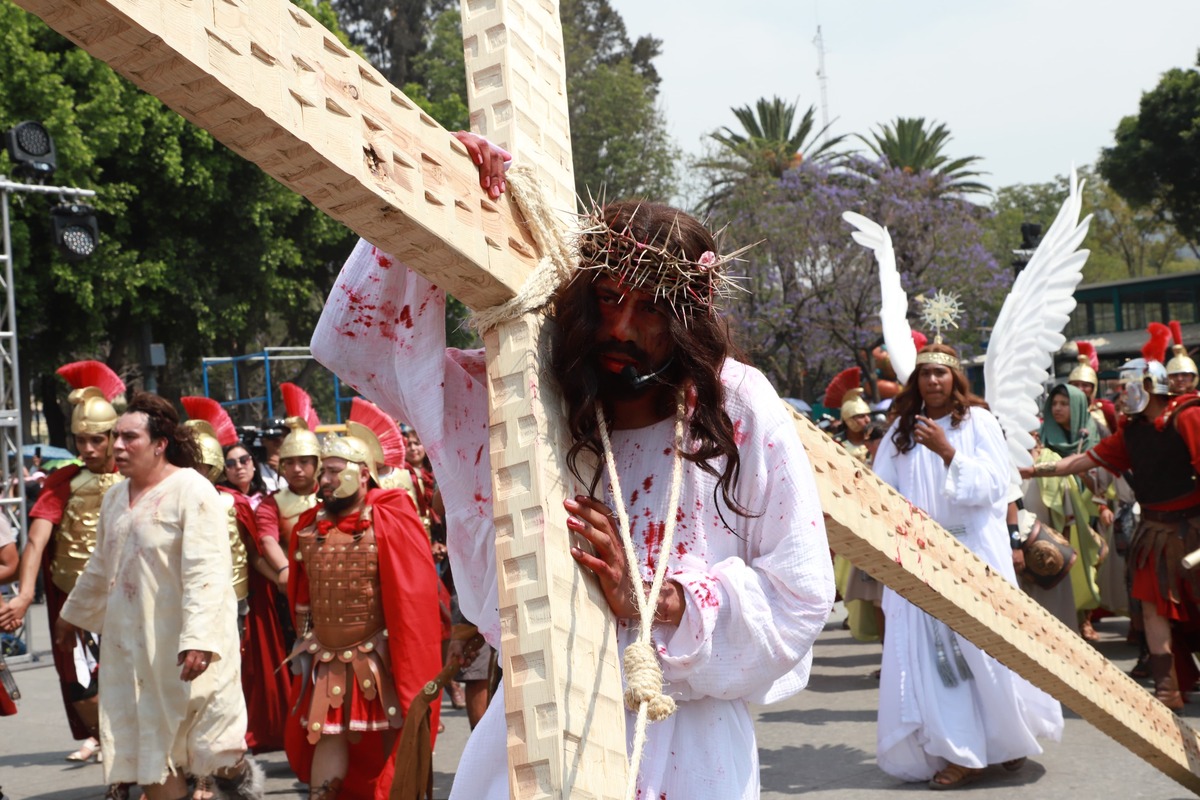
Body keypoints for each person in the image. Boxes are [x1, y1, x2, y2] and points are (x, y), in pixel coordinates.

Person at [310, 142, 835, 800]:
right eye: (608, 299)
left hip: (685, 746)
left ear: (689, 318)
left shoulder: (736, 406)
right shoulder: (520, 396)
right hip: (535, 727)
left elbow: (801, 595)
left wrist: (657, 600)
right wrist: (441, 190)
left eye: (650, 309)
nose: (621, 328)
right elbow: (353, 344)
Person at [873, 341, 1063, 789]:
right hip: (922, 558)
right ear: (916, 382)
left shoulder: (978, 422)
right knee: (941, 660)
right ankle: (963, 751)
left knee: (989, 651)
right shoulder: (901, 430)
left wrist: (948, 453)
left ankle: (1007, 737)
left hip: (976, 554)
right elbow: (882, 490)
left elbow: (998, 484)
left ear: (955, 379)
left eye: (940, 373)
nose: (932, 380)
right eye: (925, 373)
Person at [54, 392, 261, 800]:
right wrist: (70, 615)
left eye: (129, 437)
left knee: (211, 749)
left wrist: (199, 639)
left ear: (160, 444)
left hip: (188, 648)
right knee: (152, 751)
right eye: (115, 436)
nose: (117, 446)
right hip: (133, 648)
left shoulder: (192, 490)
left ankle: (238, 781)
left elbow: (207, 571)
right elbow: (100, 566)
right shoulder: (115, 498)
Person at [1024, 323, 1200, 710]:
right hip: (1153, 532)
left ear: (1148, 386)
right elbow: (1080, 461)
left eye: (1127, 386)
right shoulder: (1131, 432)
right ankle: (1167, 689)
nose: (1121, 394)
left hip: (1193, 529)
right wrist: (1031, 470)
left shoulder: (1189, 416)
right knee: (1153, 607)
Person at [284, 431, 443, 800]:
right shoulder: (310, 523)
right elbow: (303, 596)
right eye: (324, 471)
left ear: (363, 474)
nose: (325, 479)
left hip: (381, 653)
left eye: (335, 471)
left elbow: (411, 595)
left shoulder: (389, 516)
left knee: (395, 730)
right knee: (327, 733)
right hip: (326, 653)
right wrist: (303, 640)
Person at [0, 361, 125, 778]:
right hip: (76, 604)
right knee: (81, 687)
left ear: (113, 437)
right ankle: (112, 747)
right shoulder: (64, 482)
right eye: (80, 440)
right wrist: (24, 594)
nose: (87, 448)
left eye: (96, 439)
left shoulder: (137, 478)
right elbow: (36, 541)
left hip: (129, 599)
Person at [183, 396, 289, 759]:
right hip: (191, 601)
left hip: (238, 600)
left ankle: (237, 738)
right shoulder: (174, 501)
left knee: (239, 668)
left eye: (202, 466)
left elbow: (253, 552)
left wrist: (281, 580)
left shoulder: (235, 503)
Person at [221, 441, 268, 509]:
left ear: (254, 464)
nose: (239, 466)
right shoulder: (220, 499)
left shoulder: (268, 498)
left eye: (244, 460)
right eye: (230, 463)